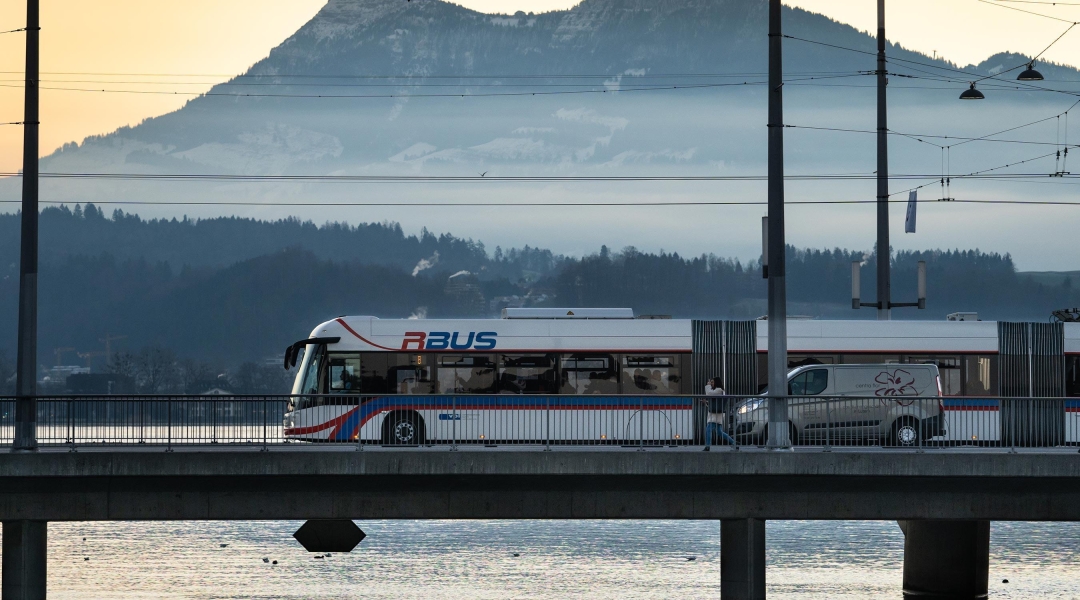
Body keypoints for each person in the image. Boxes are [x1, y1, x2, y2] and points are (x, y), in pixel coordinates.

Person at [702, 377, 735, 450]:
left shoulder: (719, 390)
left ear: (717, 382)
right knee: (719, 432)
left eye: (712, 382)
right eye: (711, 382)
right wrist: (707, 403)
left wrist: (707, 386)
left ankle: (707, 446)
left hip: (716, 415)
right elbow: (715, 403)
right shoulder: (718, 391)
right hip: (716, 414)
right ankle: (733, 443)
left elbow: (709, 394)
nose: (711, 384)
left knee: (708, 429)